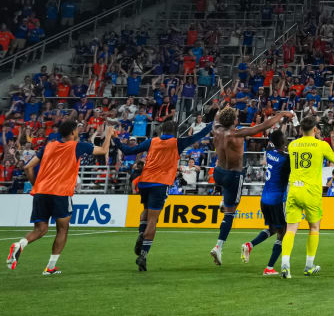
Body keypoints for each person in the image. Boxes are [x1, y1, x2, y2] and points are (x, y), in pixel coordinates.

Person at [7, 119, 113, 275]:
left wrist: (36, 185)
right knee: (62, 229)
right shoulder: (78, 146)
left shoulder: (48, 146)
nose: (78, 132)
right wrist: (109, 134)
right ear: (72, 132)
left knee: (40, 229)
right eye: (77, 130)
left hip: (41, 193)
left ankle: (21, 243)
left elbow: (28, 166)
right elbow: (104, 150)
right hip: (60, 193)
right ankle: (50, 267)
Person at [113, 114, 215, 271]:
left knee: (145, 214)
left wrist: (116, 140)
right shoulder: (177, 143)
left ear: (161, 130)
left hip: (145, 182)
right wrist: (213, 123)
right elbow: (199, 135)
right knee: (153, 220)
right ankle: (143, 255)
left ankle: (141, 233)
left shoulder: (152, 141)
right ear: (174, 132)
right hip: (160, 184)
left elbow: (128, 150)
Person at [209, 106, 290, 266]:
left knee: (229, 199)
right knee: (231, 212)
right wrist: (281, 114)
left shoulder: (216, 129)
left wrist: (222, 108)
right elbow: (262, 127)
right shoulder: (236, 133)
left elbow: (216, 116)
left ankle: (224, 201)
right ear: (233, 120)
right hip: (233, 174)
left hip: (218, 173)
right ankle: (218, 246)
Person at [279, 116, 334, 278]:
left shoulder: (293, 145)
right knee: (314, 228)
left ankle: (285, 264)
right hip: (311, 192)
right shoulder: (321, 145)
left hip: (294, 189)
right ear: (315, 129)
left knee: (290, 230)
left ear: (301, 129)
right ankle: (309, 266)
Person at [241, 129, 289, 275]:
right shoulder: (285, 158)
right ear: (282, 141)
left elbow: (273, 142)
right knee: (283, 232)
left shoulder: (269, 152)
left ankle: (250, 245)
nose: (286, 138)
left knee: (273, 228)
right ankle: (269, 268)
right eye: (285, 137)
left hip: (264, 199)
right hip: (277, 199)